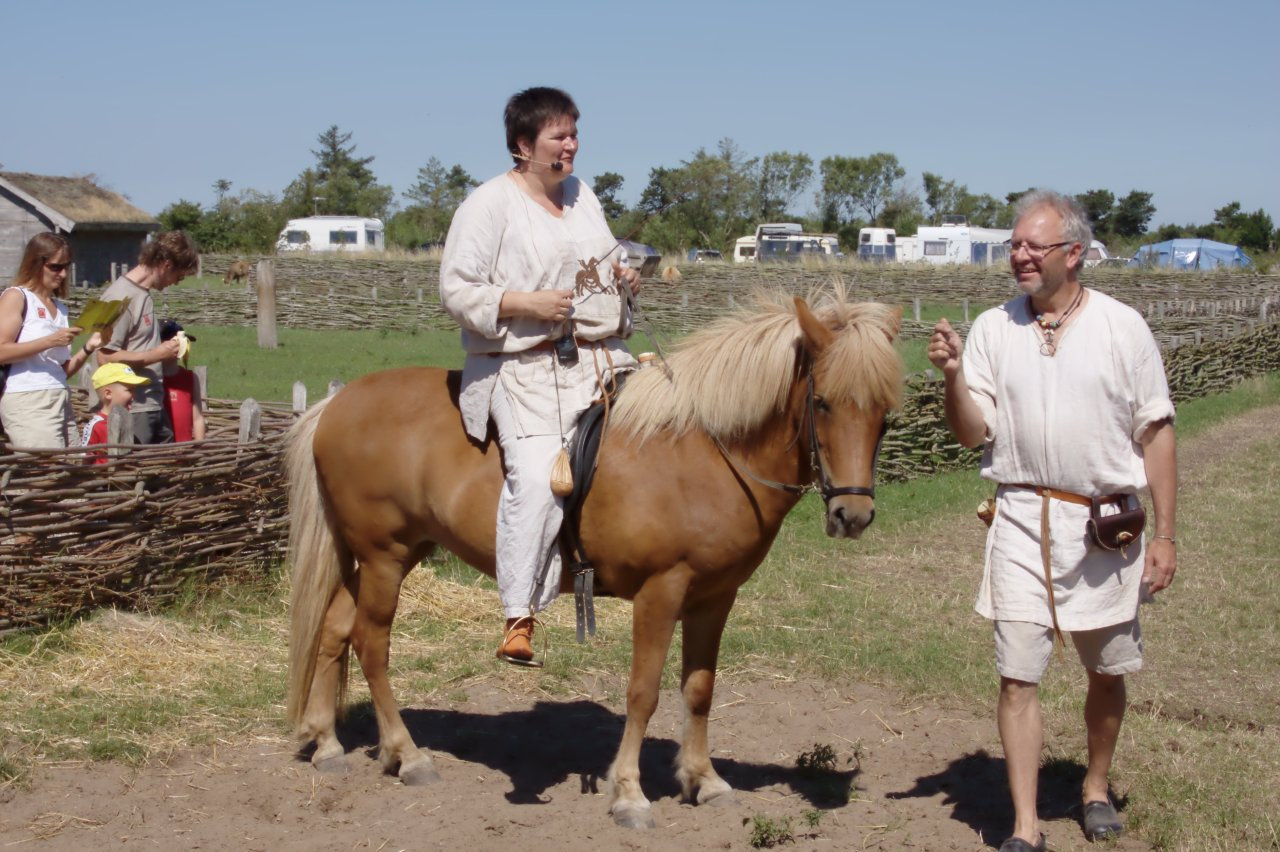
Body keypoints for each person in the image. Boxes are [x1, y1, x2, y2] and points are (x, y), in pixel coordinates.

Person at [927, 190, 1177, 851]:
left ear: (1074, 253)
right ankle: (1026, 826)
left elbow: (1157, 433)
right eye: (1014, 245)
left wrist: (1169, 536)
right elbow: (969, 432)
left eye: (1034, 246)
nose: (1020, 256)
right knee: (1017, 674)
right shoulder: (991, 329)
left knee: (1107, 670)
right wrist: (954, 376)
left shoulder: (1122, 328)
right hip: (1018, 519)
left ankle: (1094, 786)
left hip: (1105, 529)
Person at [440, 86, 641, 667]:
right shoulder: (487, 205)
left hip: (601, 359)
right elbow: (457, 290)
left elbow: (596, 264)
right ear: (524, 145)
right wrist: (526, 303)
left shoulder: (582, 195)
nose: (572, 145)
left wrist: (623, 280)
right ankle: (518, 615)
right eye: (559, 136)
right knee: (535, 478)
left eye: (575, 133)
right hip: (520, 369)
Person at [0, 233, 103, 448]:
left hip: (60, 396)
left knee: (72, 468)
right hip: (28, 398)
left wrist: (88, 347)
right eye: (56, 267)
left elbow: (61, 370)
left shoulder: (59, 308)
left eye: (66, 266)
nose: (63, 274)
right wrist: (49, 341)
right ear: (35, 263)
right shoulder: (17, 297)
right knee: (48, 471)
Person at [97, 231, 199, 444]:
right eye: (178, 277)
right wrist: (157, 354)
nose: (177, 283)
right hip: (134, 408)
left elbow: (135, 345)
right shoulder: (120, 297)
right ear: (167, 265)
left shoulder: (142, 294)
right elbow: (104, 357)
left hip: (151, 403)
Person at [81, 363, 150, 464]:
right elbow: (85, 459)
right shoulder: (97, 425)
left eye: (135, 390)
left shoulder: (127, 421)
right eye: (130, 390)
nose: (134, 395)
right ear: (108, 394)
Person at [158, 320, 205, 442]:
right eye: (175, 342)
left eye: (183, 342)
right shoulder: (151, 378)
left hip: (185, 451)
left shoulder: (190, 378)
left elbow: (198, 417)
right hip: (158, 453)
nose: (180, 347)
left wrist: (200, 444)